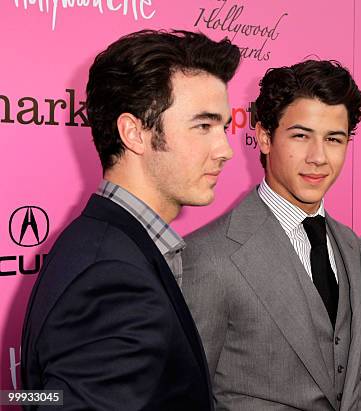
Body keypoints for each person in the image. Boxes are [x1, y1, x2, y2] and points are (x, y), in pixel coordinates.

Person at [21, 29, 240, 410]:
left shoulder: (102, 243)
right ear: (134, 133)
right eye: (203, 126)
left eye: (223, 126)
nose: (225, 150)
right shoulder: (113, 276)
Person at [182, 60, 361, 410]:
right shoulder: (208, 257)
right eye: (301, 136)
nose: (318, 158)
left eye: (334, 139)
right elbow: (186, 394)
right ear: (265, 137)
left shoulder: (353, 246)